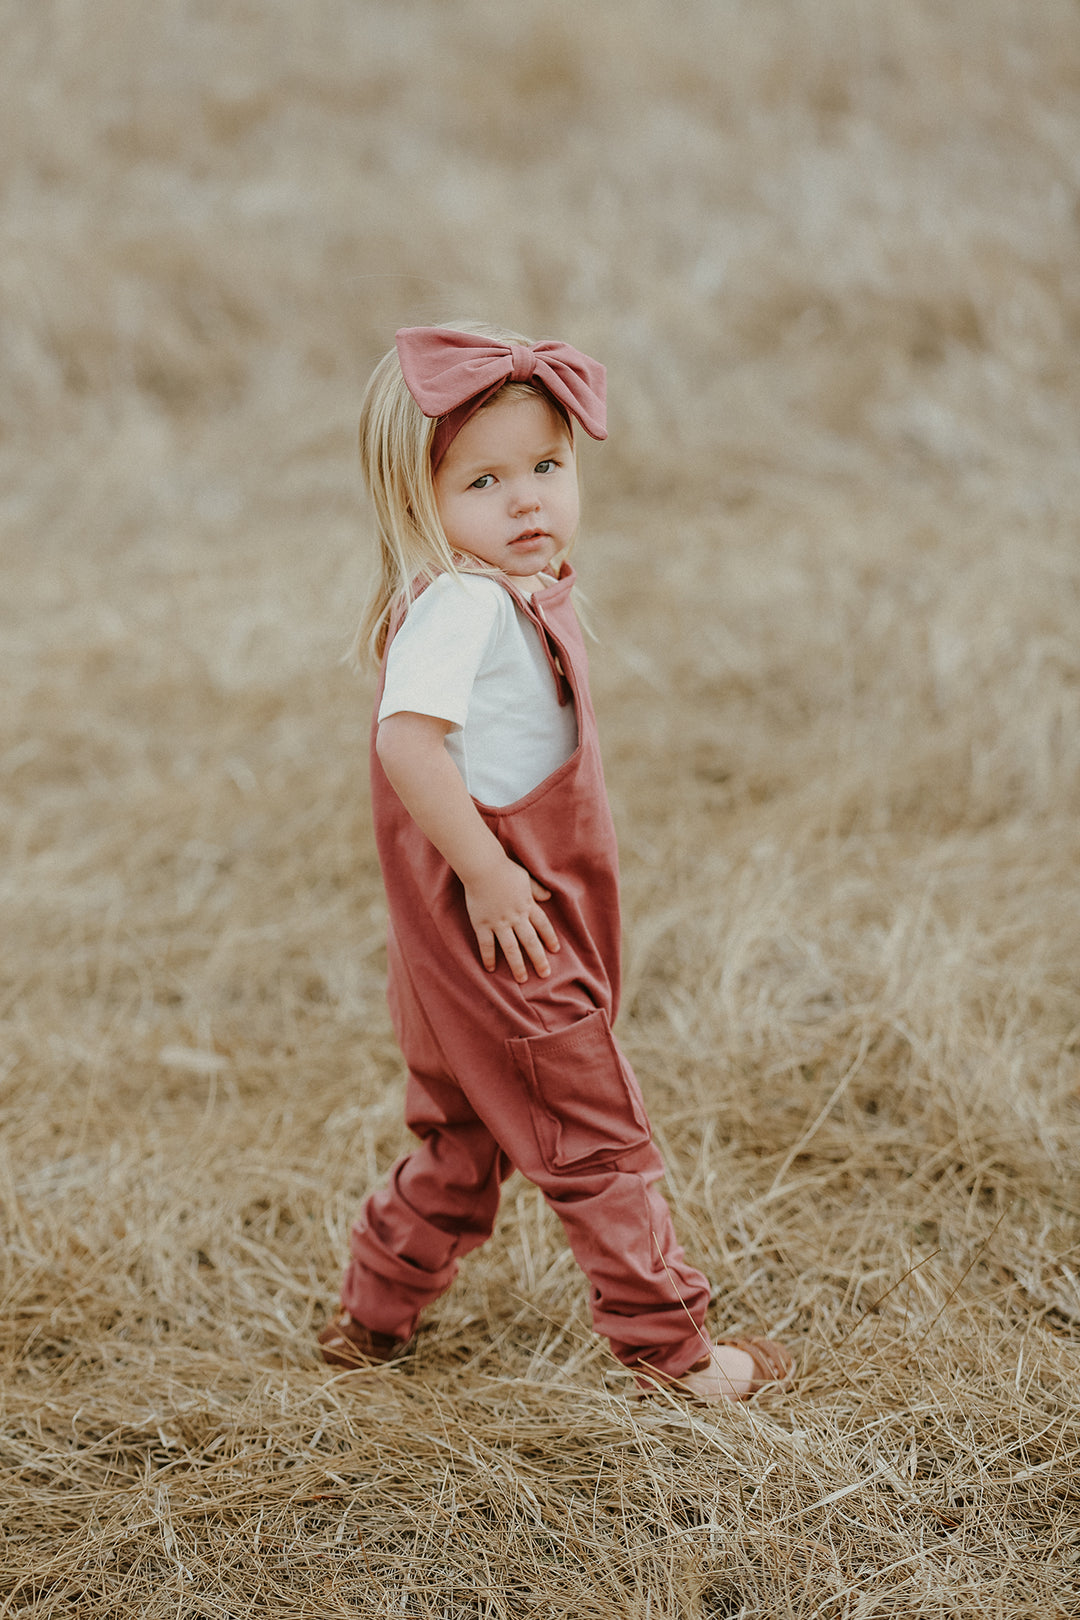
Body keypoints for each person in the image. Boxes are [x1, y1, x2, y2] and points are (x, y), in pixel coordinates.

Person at [318, 321, 794, 1402]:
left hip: (452, 957)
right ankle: (675, 1360)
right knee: (597, 1141)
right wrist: (489, 875)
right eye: (485, 480)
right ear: (416, 500)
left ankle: (372, 1315)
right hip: (506, 931)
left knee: (461, 1139)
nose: (528, 500)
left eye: (548, 466)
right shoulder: (467, 605)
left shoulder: (498, 595)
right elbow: (405, 743)